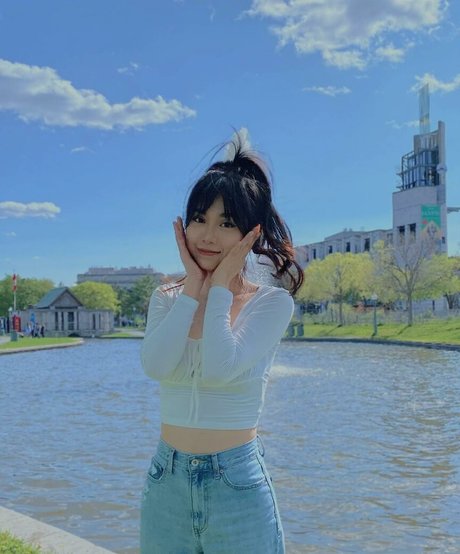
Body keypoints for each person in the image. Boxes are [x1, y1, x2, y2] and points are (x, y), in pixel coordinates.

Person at [140, 133, 303, 553]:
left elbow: (218, 368)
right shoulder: (167, 297)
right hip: (166, 478)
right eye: (199, 218)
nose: (208, 236)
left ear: (251, 233)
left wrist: (217, 291)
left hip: (236, 482)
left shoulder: (271, 304)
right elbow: (156, 366)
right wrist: (192, 288)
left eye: (227, 223)